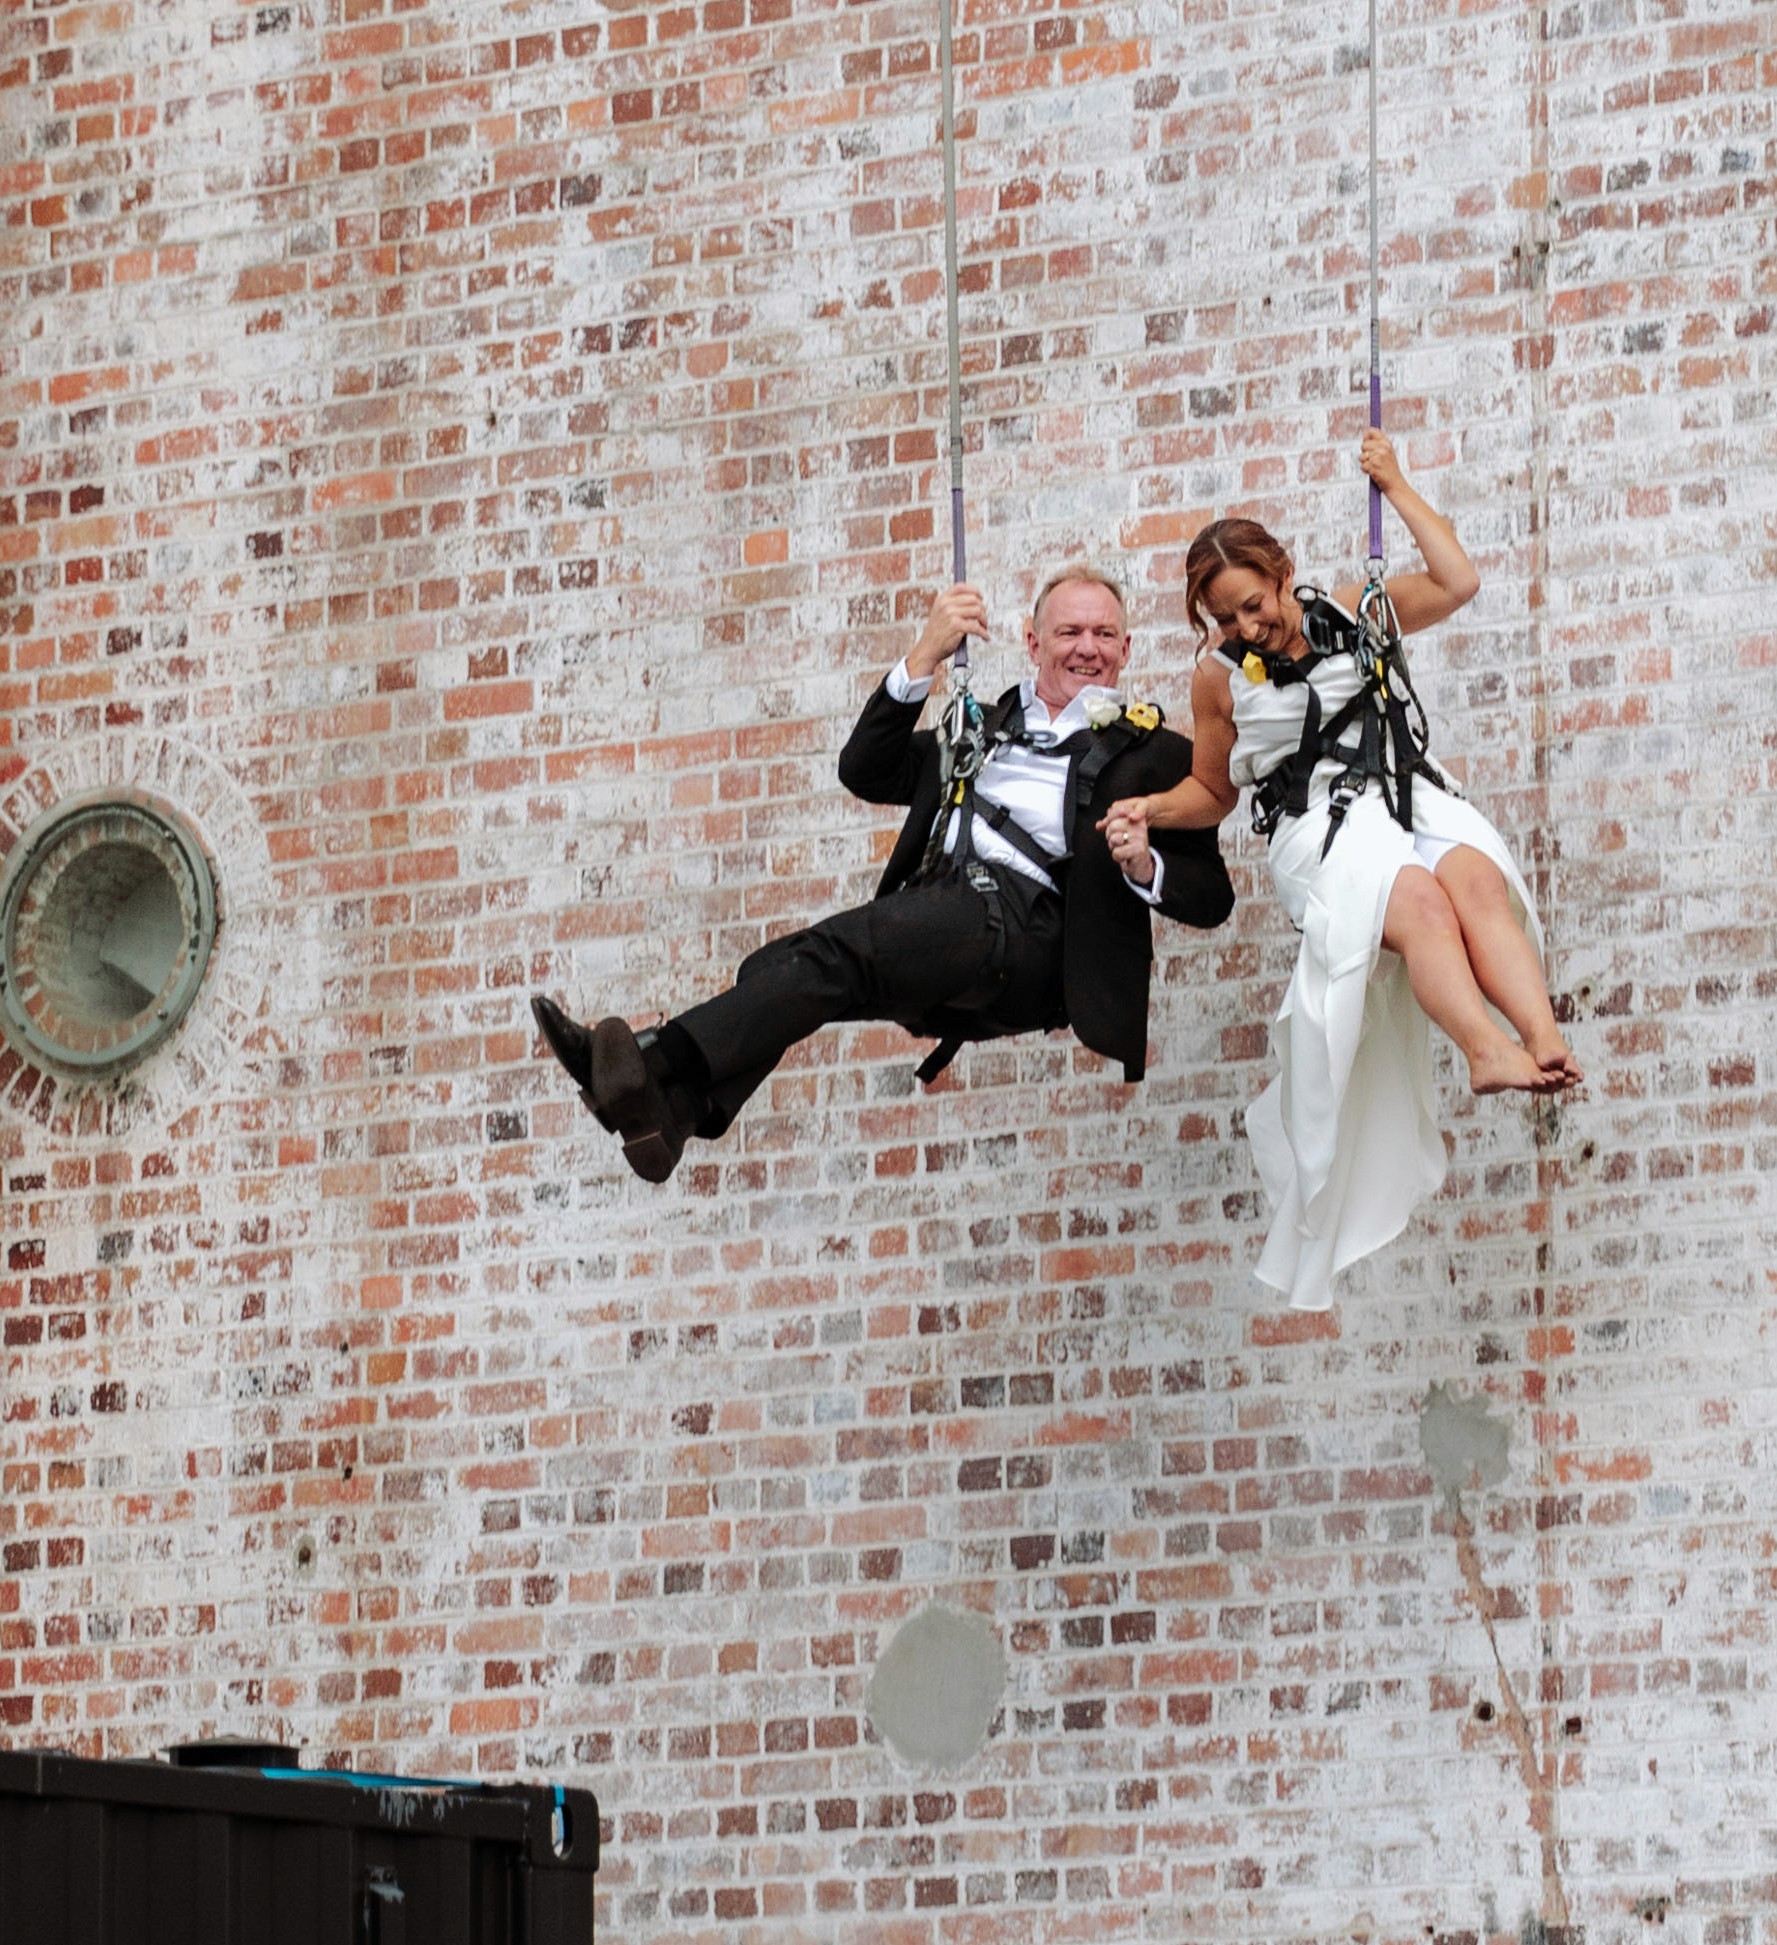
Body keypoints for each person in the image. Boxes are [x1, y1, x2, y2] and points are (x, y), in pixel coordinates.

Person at [531, 563, 1234, 1181]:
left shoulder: (1156, 754)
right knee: (775, 970)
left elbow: (1212, 898)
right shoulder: (976, 729)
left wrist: (1145, 864)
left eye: (1105, 634)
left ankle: (648, 1060)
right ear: (1033, 642)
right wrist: (924, 655)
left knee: (831, 955)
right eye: (1070, 632)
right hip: (945, 917)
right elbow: (864, 769)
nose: (1088, 648)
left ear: (1126, 648)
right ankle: (676, 1112)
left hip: (1035, 939)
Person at [1101, 427, 1579, 1310]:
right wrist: (1150, 811)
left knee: (1477, 885)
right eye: (1227, 618)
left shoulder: (1355, 605)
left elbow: (1457, 582)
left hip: (1408, 790)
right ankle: (1484, 1051)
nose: (1250, 626)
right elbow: (1210, 789)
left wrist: (1393, 482)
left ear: (1282, 573)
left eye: (1254, 603)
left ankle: (1543, 1041)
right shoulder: (1219, 678)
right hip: (1316, 825)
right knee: (1425, 909)